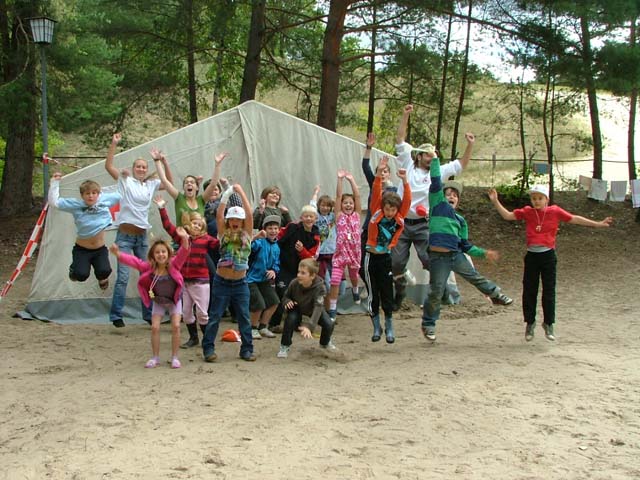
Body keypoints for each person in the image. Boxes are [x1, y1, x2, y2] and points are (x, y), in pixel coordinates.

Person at [488, 185, 613, 341]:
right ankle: (530, 323)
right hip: (532, 256)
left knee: (549, 291)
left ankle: (548, 324)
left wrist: (598, 224)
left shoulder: (554, 211)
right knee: (529, 291)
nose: (537, 201)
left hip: (548, 256)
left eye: (540, 198)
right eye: (534, 198)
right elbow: (507, 216)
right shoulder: (527, 212)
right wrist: (495, 201)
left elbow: (574, 218)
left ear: (546, 199)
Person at [391, 105, 475, 310]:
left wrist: (470, 145)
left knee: (432, 260)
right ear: (419, 155)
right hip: (402, 222)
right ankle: (400, 293)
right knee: (396, 263)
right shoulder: (408, 163)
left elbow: (461, 164)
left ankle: (444, 295)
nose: (432, 157)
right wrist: (405, 115)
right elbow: (400, 140)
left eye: (434, 154)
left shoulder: (438, 171)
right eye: (428, 154)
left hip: (424, 224)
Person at [421, 157, 513, 342]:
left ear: (458, 201)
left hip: (455, 255)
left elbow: (465, 245)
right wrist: (435, 160)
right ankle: (428, 324)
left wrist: (483, 253)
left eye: (455, 195)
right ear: (440, 196)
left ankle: (495, 294)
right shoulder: (437, 205)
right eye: (448, 193)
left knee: (474, 276)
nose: (452, 196)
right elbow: (436, 180)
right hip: (438, 257)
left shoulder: (460, 221)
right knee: (436, 290)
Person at [105, 133, 164, 327]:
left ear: (146, 170)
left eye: (143, 167)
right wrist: (114, 144)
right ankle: (116, 315)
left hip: (142, 237)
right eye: (138, 166)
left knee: (147, 275)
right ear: (133, 169)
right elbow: (109, 167)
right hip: (125, 236)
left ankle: (148, 314)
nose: (140, 169)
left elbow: (168, 182)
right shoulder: (126, 181)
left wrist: (161, 161)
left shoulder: (150, 185)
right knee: (123, 276)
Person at [109, 229, 190, 368]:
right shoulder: (149, 268)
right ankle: (155, 357)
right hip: (158, 300)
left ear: (168, 253)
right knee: (154, 327)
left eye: (163, 252)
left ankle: (175, 357)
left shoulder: (174, 265)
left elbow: (184, 252)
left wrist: (184, 239)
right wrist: (119, 254)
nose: (161, 255)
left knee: (176, 326)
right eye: (157, 252)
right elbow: (135, 262)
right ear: (153, 255)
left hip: (173, 301)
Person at [201, 183, 256, 362]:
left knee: (244, 318)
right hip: (221, 281)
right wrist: (226, 195)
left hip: (240, 283)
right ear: (228, 221)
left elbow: (249, 214)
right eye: (232, 219)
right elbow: (219, 214)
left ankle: (247, 349)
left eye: (238, 219)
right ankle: (208, 349)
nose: (235, 221)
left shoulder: (247, 234)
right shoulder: (223, 234)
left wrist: (240, 191)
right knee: (215, 316)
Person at [155, 198, 219, 348]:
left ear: (202, 227)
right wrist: (162, 208)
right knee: (186, 312)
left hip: (201, 282)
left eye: (199, 224)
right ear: (188, 224)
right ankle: (193, 338)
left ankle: (207, 340)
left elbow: (220, 245)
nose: (196, 226)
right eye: (194, 223)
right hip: (185, 282)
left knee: (202, 313)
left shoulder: (206, 239)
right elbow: (168, 227)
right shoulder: (183, 238)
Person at [363, 157, 411, 343]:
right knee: (373, 293)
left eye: (392, 210)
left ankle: (389, 325)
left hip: (385, 257)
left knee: (386, 292)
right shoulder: (377, 211)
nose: (389, 213)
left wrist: (405, 181)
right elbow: (376, 192)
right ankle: (376, 326)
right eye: (387, 209)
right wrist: (378, 174)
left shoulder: (399, 217)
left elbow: (407, 199)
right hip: (371, 257)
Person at [47, 172, 120, 290]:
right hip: (82, 250)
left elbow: (123, 193)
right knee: (81, 275)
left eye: (94, 193)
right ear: (82, 195)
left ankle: (102, 278)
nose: (90, 196)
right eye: (87, 193)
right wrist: (55, 183)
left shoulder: (104, 202)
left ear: (98, 194)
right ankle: (74, 269)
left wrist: (126, 178)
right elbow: (54, 203)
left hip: (99, 249)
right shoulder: (76, 206)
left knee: (105, 270)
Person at [268, 205, 321, 332]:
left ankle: (296, 323)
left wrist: (302, 250)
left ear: (315, 218)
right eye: (306, 216)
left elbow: (312, 258)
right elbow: (277, 237)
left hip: (301, 270)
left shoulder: (316, 235)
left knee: (298, 296)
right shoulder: (292, 227)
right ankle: (274, 324)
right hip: (284, 266)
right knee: (283, 293)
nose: (308, 219)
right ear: (301, 217)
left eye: (311, 216)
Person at [276, 259, 336, 359]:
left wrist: (309, 327)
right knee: (290, 320)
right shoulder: (294, 283)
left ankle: (325, 343)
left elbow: (318, 307)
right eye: (298, 272)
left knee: (328, 323)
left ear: (312, 276)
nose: (299, 275)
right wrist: (287, 302)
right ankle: (284, 346)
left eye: (303, 273)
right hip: (297, 307)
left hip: (313, 309)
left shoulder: (320, 287)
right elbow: (285, 297)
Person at [151, 148, 226, 225]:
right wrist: (157, 161)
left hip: (199, 236)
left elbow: (213, 184)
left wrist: (217, 165)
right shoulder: (179, 198)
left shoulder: (201, 200)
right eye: (186, 182)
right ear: (184, 188)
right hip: (182, 237)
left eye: (192, 182)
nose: (189, 184)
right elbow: (164, 180)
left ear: (197, 187)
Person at [327, 169, 362, 320]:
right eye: (345, 203)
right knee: (335, 280)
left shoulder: (356, 215)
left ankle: (355, 289)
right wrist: (340, 180)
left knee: (354, 276)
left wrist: (351, 180)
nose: (348, 205)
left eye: (350, 203)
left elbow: (358, 196)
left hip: (354, 253)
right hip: (341, 253)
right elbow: (338, 196)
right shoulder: (339, 215)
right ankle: (333, 309)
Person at [248, 215, 281, 339]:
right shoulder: (259, 242)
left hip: (264, 280)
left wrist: (274, 271)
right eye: (270, 228)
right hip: (251, 279)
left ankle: (263, 327)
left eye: (275, 228)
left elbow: (277, 263)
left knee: (274, 302)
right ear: (264, 230)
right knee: (259, 304)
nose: (273, 231)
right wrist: (256, 237)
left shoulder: (277, 246)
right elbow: (247, 247)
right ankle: (252, 328)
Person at [309, 185, 337, 290]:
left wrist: (334, 202)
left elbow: (338, 206)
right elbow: (312, 206)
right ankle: (324, 293)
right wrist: (316, 193)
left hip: (332, 249)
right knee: (324, 277)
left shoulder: (332, 216)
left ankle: (332, 295)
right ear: (319, 206)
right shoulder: (316, 216)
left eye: (328, 206)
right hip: (320, 251)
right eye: (323, 205)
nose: (325, 208)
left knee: (334, 275)